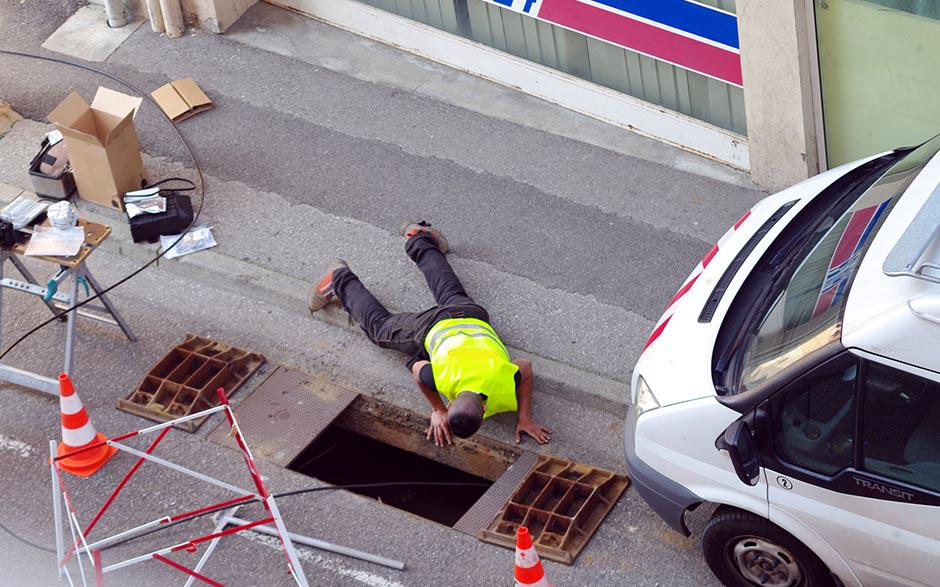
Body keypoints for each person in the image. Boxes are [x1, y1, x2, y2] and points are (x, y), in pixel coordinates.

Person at [307, 221, 551, 447]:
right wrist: (437, 409)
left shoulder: (502, 378)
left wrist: (524, 416)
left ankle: (418, 239)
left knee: (447, 288)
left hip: (472, 316)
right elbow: (417, 370)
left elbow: (525, 367)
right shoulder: (441, 378)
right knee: (380, 328)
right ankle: (341, 277)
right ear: (484, 409)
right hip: (433, 326)